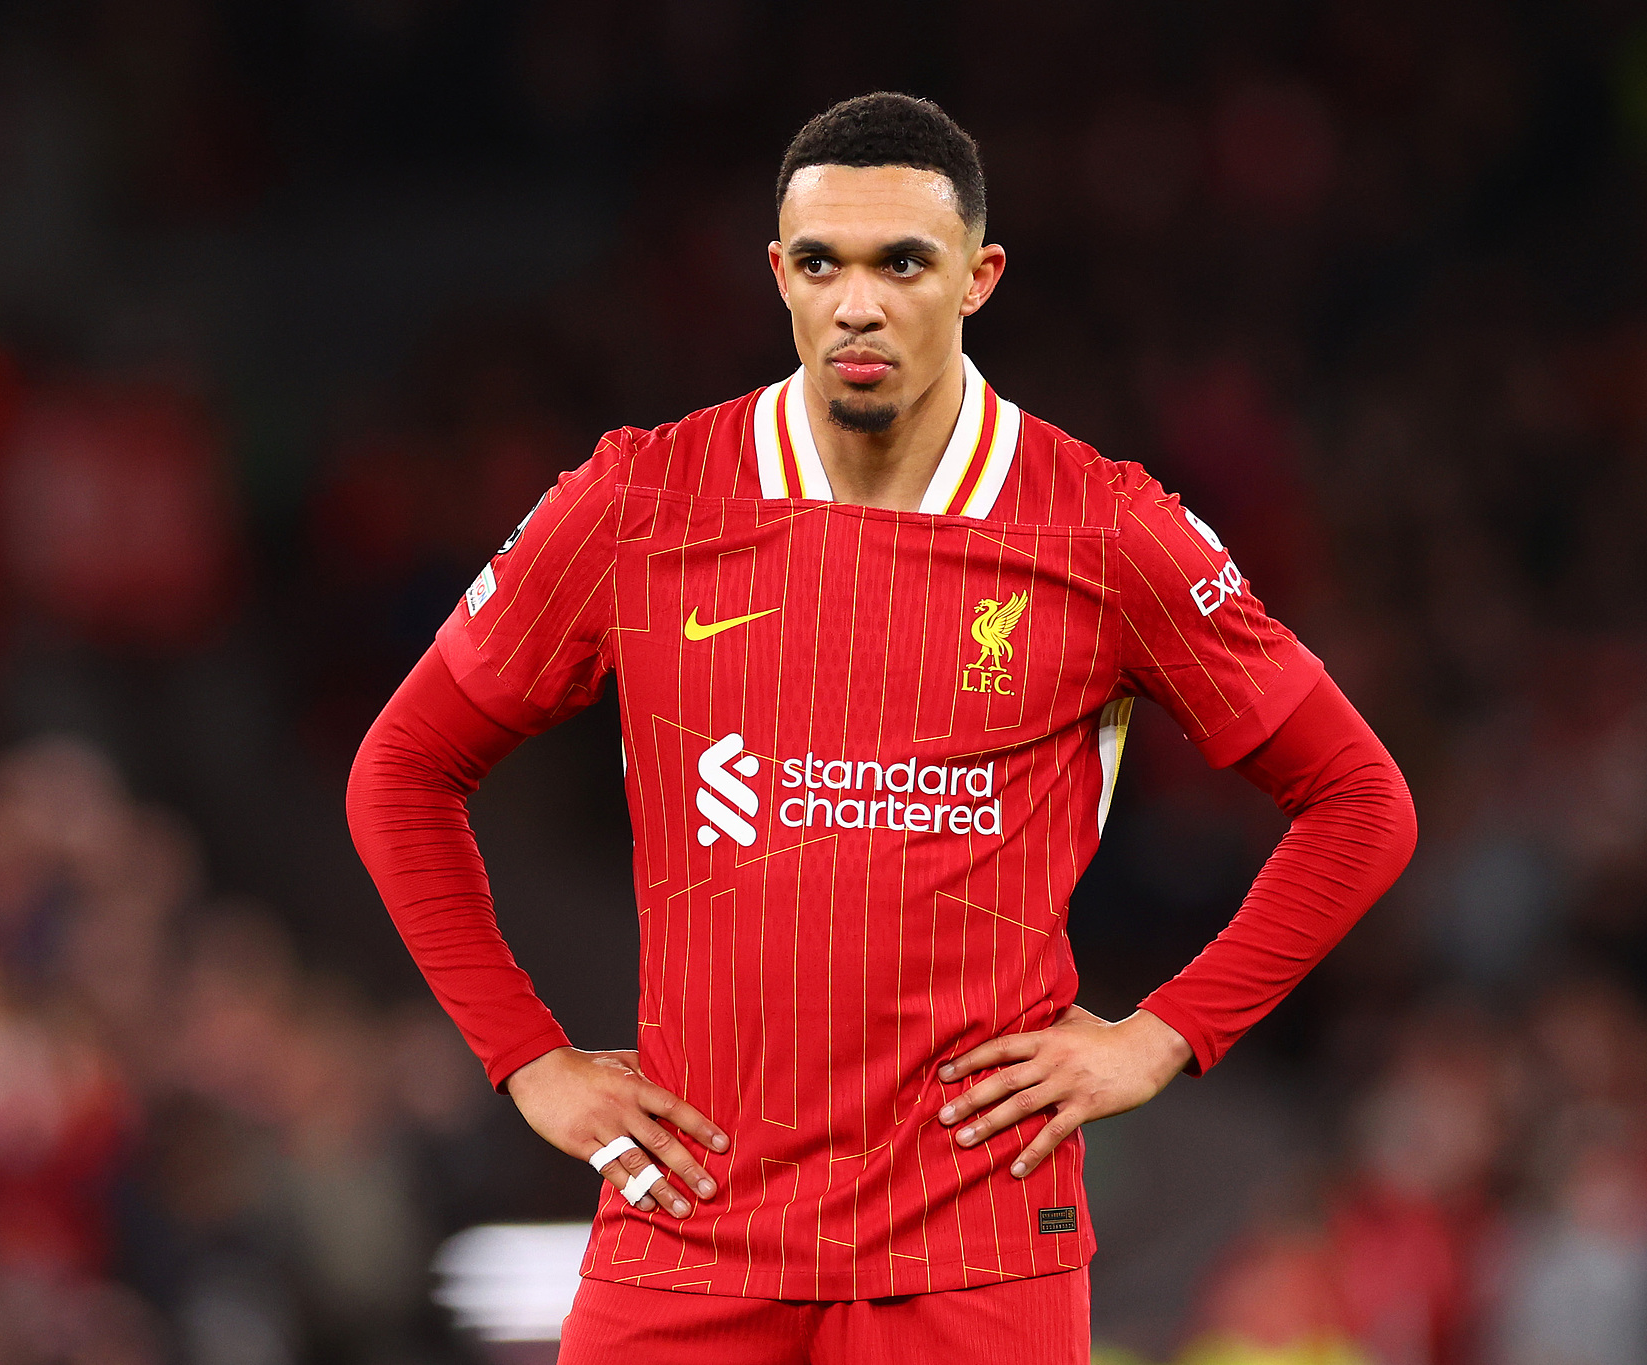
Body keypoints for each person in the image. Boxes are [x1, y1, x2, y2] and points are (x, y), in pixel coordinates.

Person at [347, 92, 1416, 1365]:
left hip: (973, 1248)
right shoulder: (639, 500)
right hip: (690, 1229)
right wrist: (524, 1058)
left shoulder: (1105, 528)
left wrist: (1163, 1037)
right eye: (821, 264)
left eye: (901, 262)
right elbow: (400, 773)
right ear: (777, 277)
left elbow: (1360, 802)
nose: (858, 303)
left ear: (978, 276)